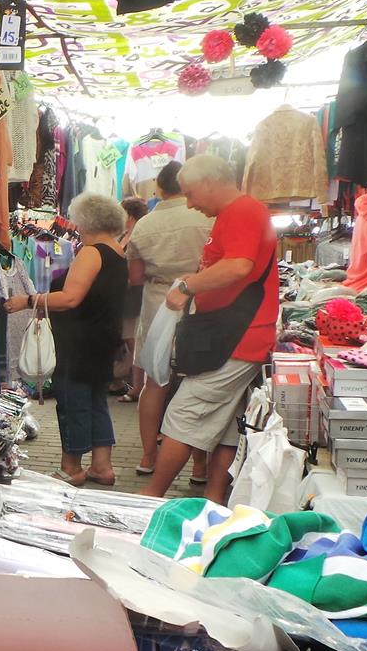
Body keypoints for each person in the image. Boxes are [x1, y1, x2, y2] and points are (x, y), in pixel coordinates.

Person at [140, 155, 277, 503]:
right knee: (227, 423)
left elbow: (238, 266)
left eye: (190, 194)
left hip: (236, 337)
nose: (190, 203)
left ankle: (153, 494)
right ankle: (215, 496)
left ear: (209, 183)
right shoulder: (237, 212)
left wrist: (189, 287)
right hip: (236, 335)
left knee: (184, 413)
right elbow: (233, 266)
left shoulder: (243, 211)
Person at [4, 192, 128, 486]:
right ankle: (102, 466)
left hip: (79, 341)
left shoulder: (92, 252)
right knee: (95, 400)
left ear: (86, 221)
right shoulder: (117, 251)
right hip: (102, 338)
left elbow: (71, 298)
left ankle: (71, 467)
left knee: (73, 403)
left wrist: (29, 301)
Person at [126, 160, 213, 478]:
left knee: (154, 383)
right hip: (202, 299)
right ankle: (200, 466)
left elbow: (135, 277)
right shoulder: (207, 217)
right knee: (200, 382)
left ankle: (149, 456)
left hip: (158, 302)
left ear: (159, 188)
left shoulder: (144, 225)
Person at [114, 197, 150, 401]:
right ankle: (130, 383)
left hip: (134, 295)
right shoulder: (125, 234)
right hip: (125, 294)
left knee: (133, 340)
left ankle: (138, 386)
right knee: (129, 339)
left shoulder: (138, 234)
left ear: (129, 215)